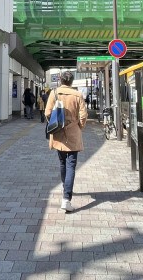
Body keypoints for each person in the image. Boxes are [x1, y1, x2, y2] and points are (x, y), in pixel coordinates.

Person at [44, 71, 88, 212]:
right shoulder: (78, 95)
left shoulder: (54, 92)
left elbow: (47, 113)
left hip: (58, 133)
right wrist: (79, 127)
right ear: (72, 82)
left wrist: (56, 123)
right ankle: (66, 198)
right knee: (71, 165)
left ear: (61, 80)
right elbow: (83, 116)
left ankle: (65, 188)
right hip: (73, 134)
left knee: (62, 163)